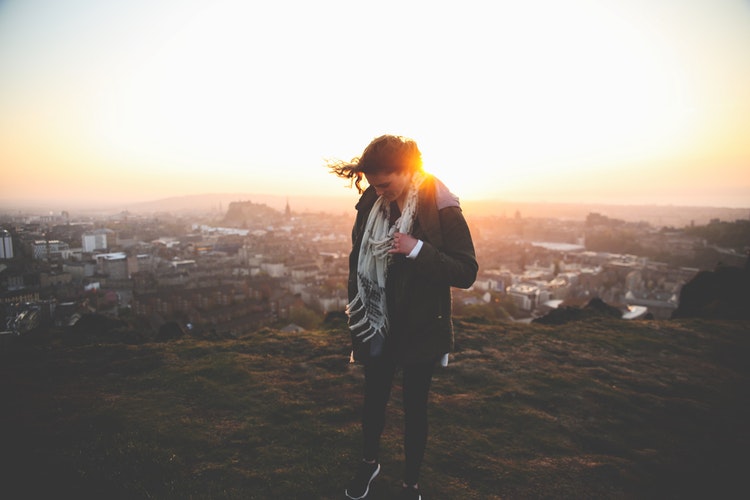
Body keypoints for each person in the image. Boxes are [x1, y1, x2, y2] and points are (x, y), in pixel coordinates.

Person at [328, 135, 478, 500]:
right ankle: (369, 463)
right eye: (374, 184)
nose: (380, 192)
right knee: (373, 399)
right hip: (377, 321)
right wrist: (358, 309)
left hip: (422, 325)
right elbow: (356, 258)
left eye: (386, 183)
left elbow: (466, 271)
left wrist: (418, 250)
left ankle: (410, 485)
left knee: (415, 408)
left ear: (408, 170)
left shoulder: (440, 204)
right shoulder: (371, 201)